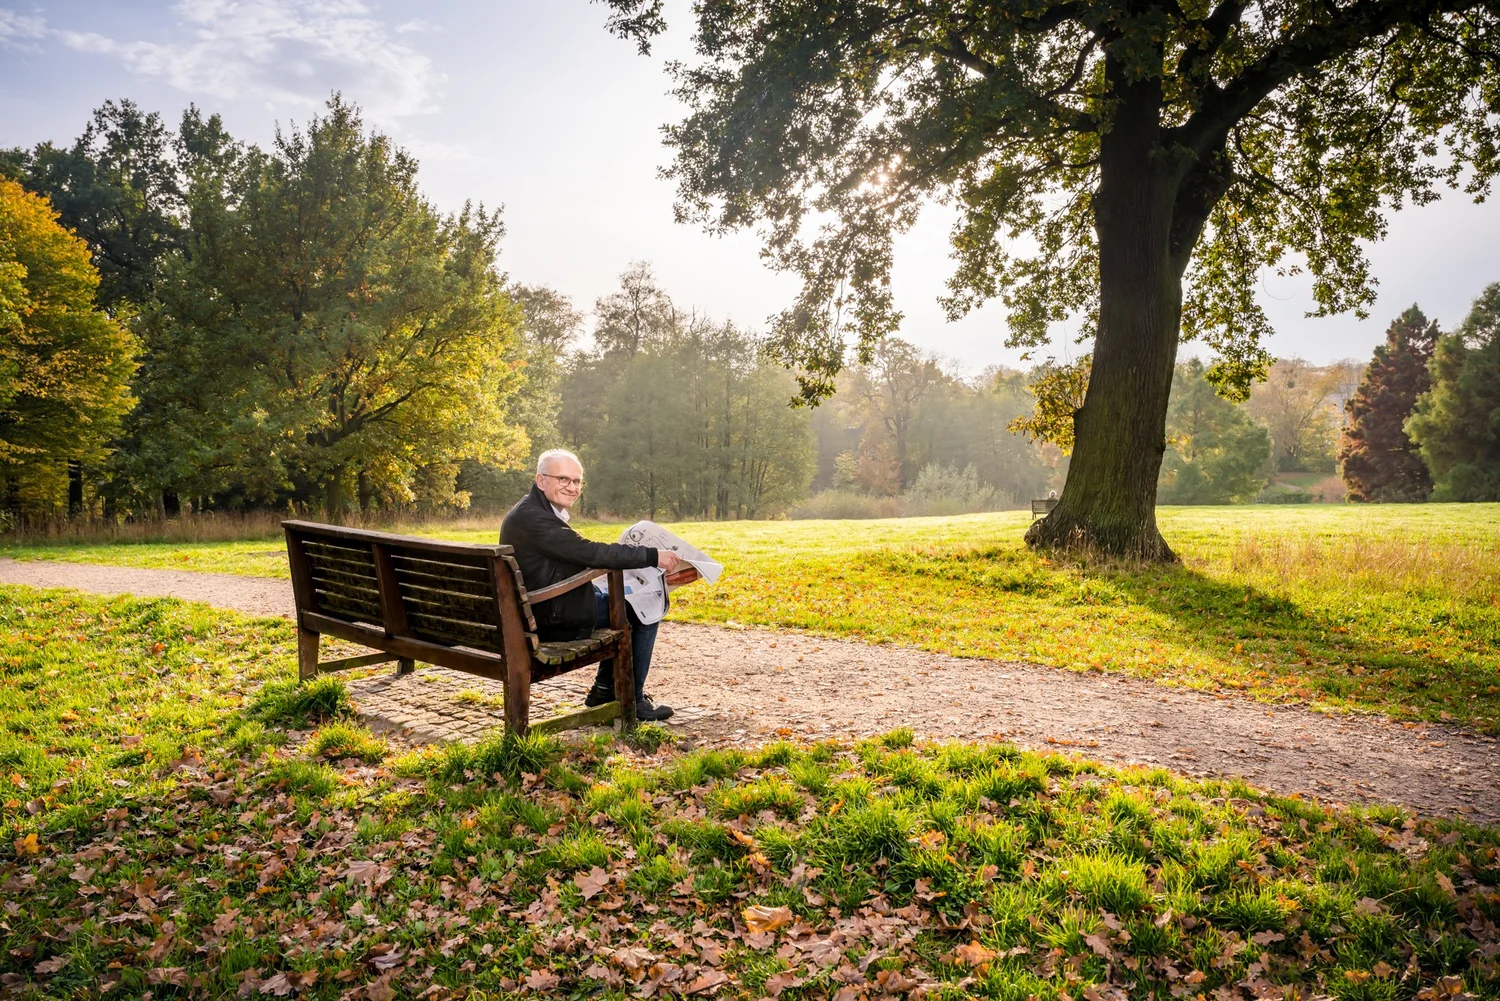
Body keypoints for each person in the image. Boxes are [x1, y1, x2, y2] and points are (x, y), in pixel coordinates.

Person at [499, 448, 695, 722]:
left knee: (629, 600)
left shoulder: (530, 511)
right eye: (563, 479)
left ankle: (605, 690)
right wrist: (653, 557)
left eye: (577, 481)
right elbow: (588, 552)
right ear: (541, 480)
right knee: (645, 609)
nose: (572, 487)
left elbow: (572, 558)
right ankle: (632, 698)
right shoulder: (535, 519)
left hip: (534, 608)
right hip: (547, 619)